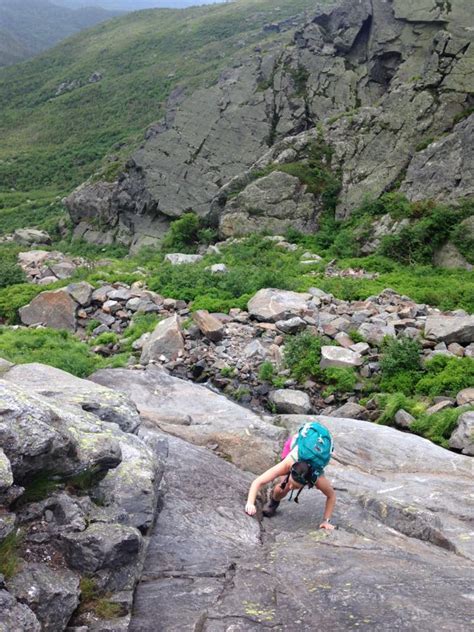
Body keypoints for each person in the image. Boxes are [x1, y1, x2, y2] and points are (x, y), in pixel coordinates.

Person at [245, 432, 336, 530]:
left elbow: (331, 496)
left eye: (296, 487)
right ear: (290, 470)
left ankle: (281, 491)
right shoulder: (286, 464)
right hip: (296, 445)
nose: (291, 487)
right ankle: (274, 501)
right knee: (282, 489)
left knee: (286, 487)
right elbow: (258, 482)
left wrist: (326, 521)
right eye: (292, 484)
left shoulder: (317, 478)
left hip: (315, 452)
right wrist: (250, 503)